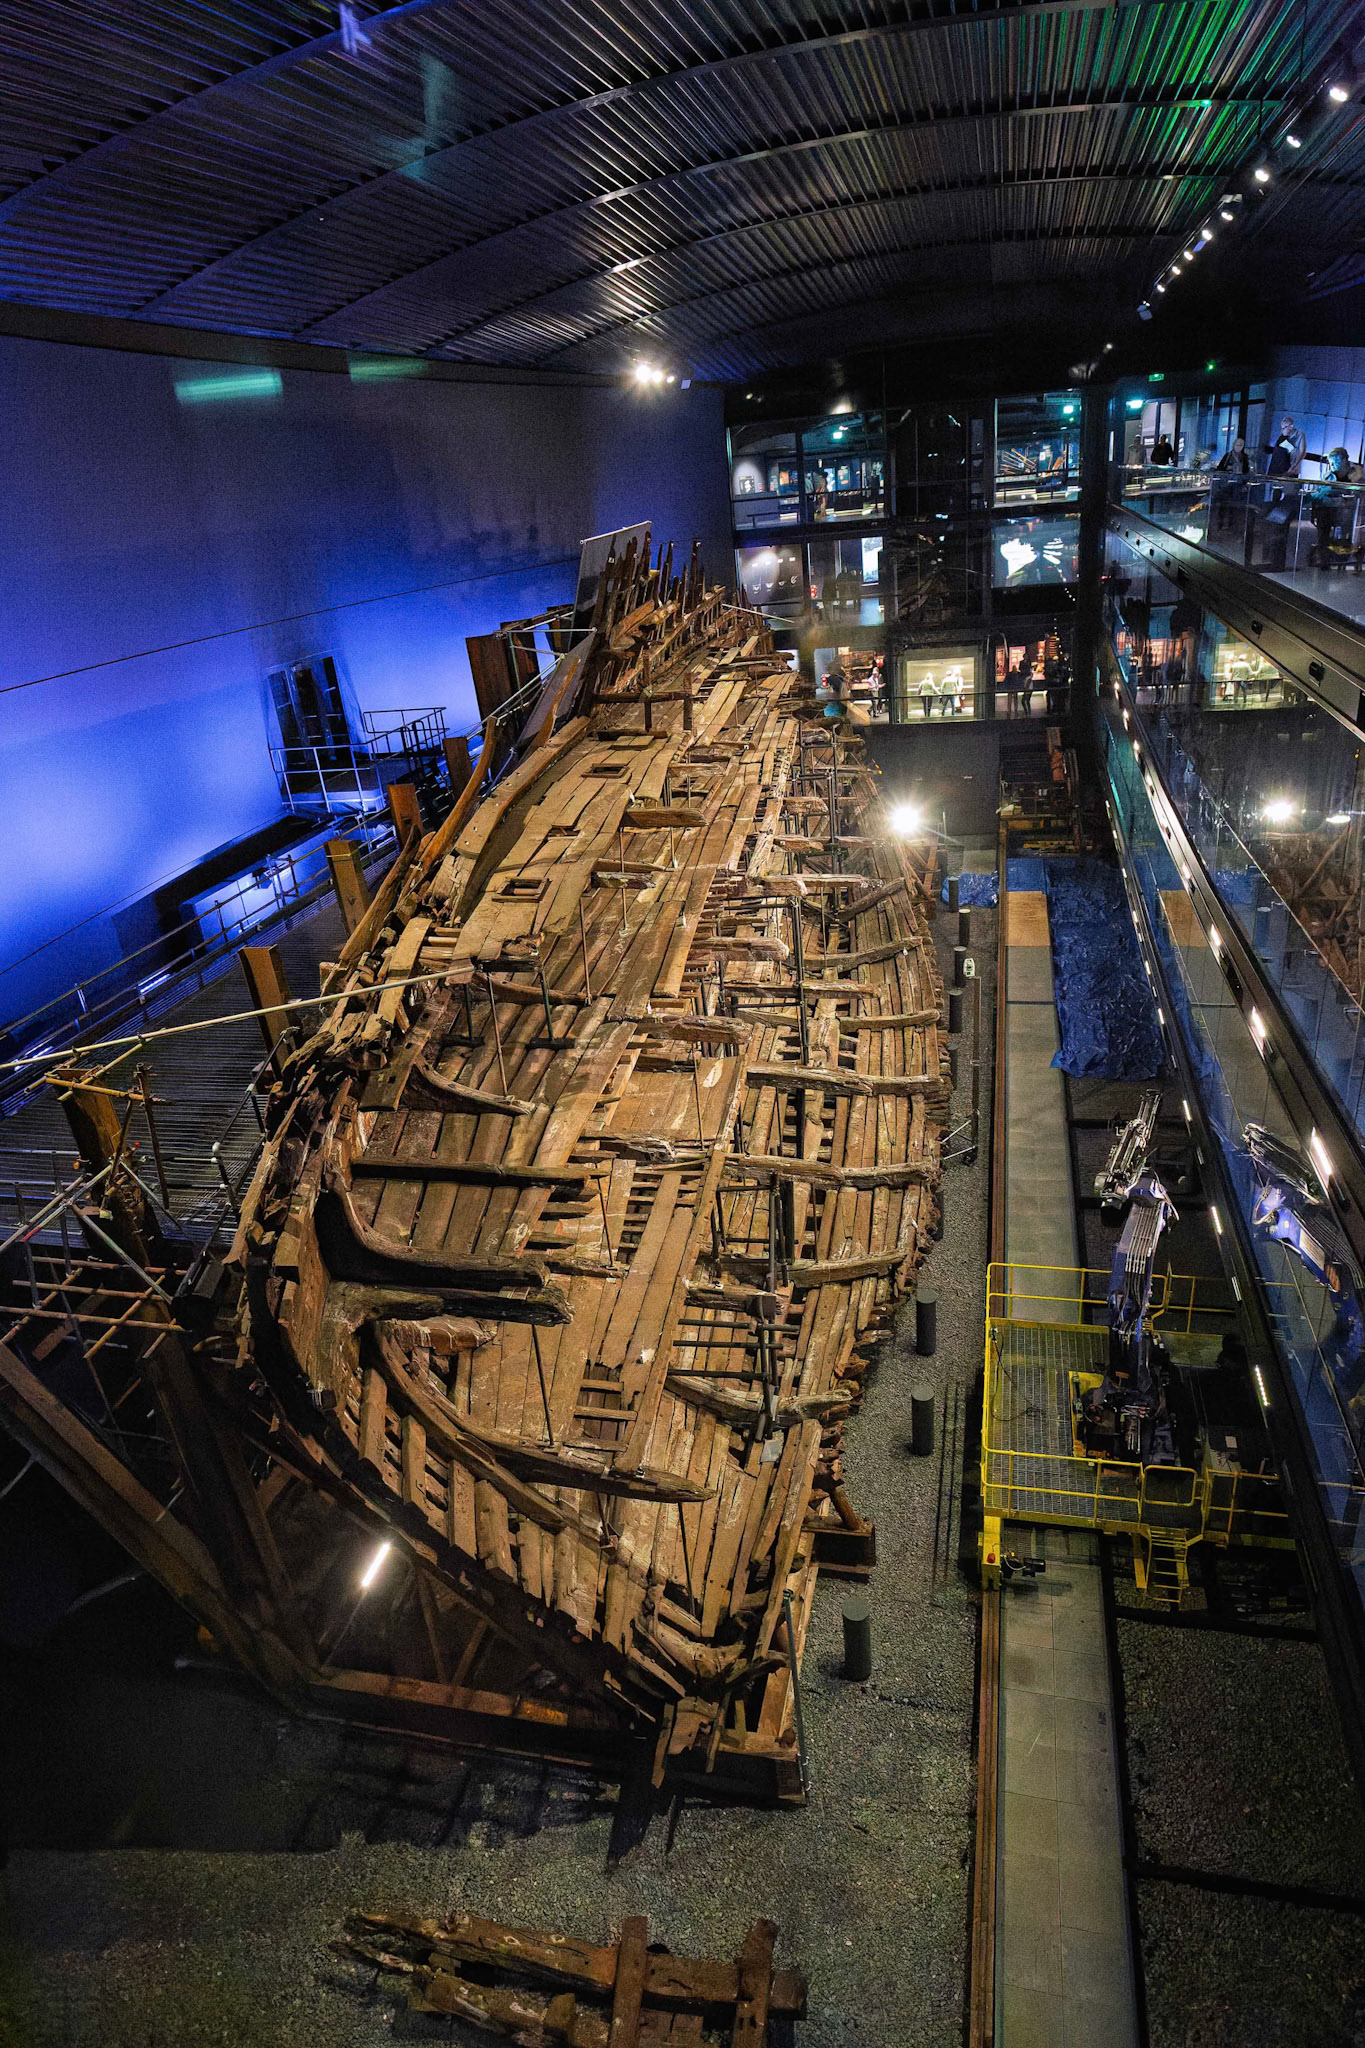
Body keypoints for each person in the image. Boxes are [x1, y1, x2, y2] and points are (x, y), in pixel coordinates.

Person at [1310, 446, 1364, 567]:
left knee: (1338, 517)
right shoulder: (1328, 475)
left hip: (1348, 509)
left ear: (1344, 460)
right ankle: (1324, 558)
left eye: (1335, 462)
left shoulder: (1357, 473)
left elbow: (1355, 494)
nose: (1332, 465)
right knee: (1322, 520)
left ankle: (1342, 556)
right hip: (1329, 508)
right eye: (1331, 463)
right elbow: (1320, 491)